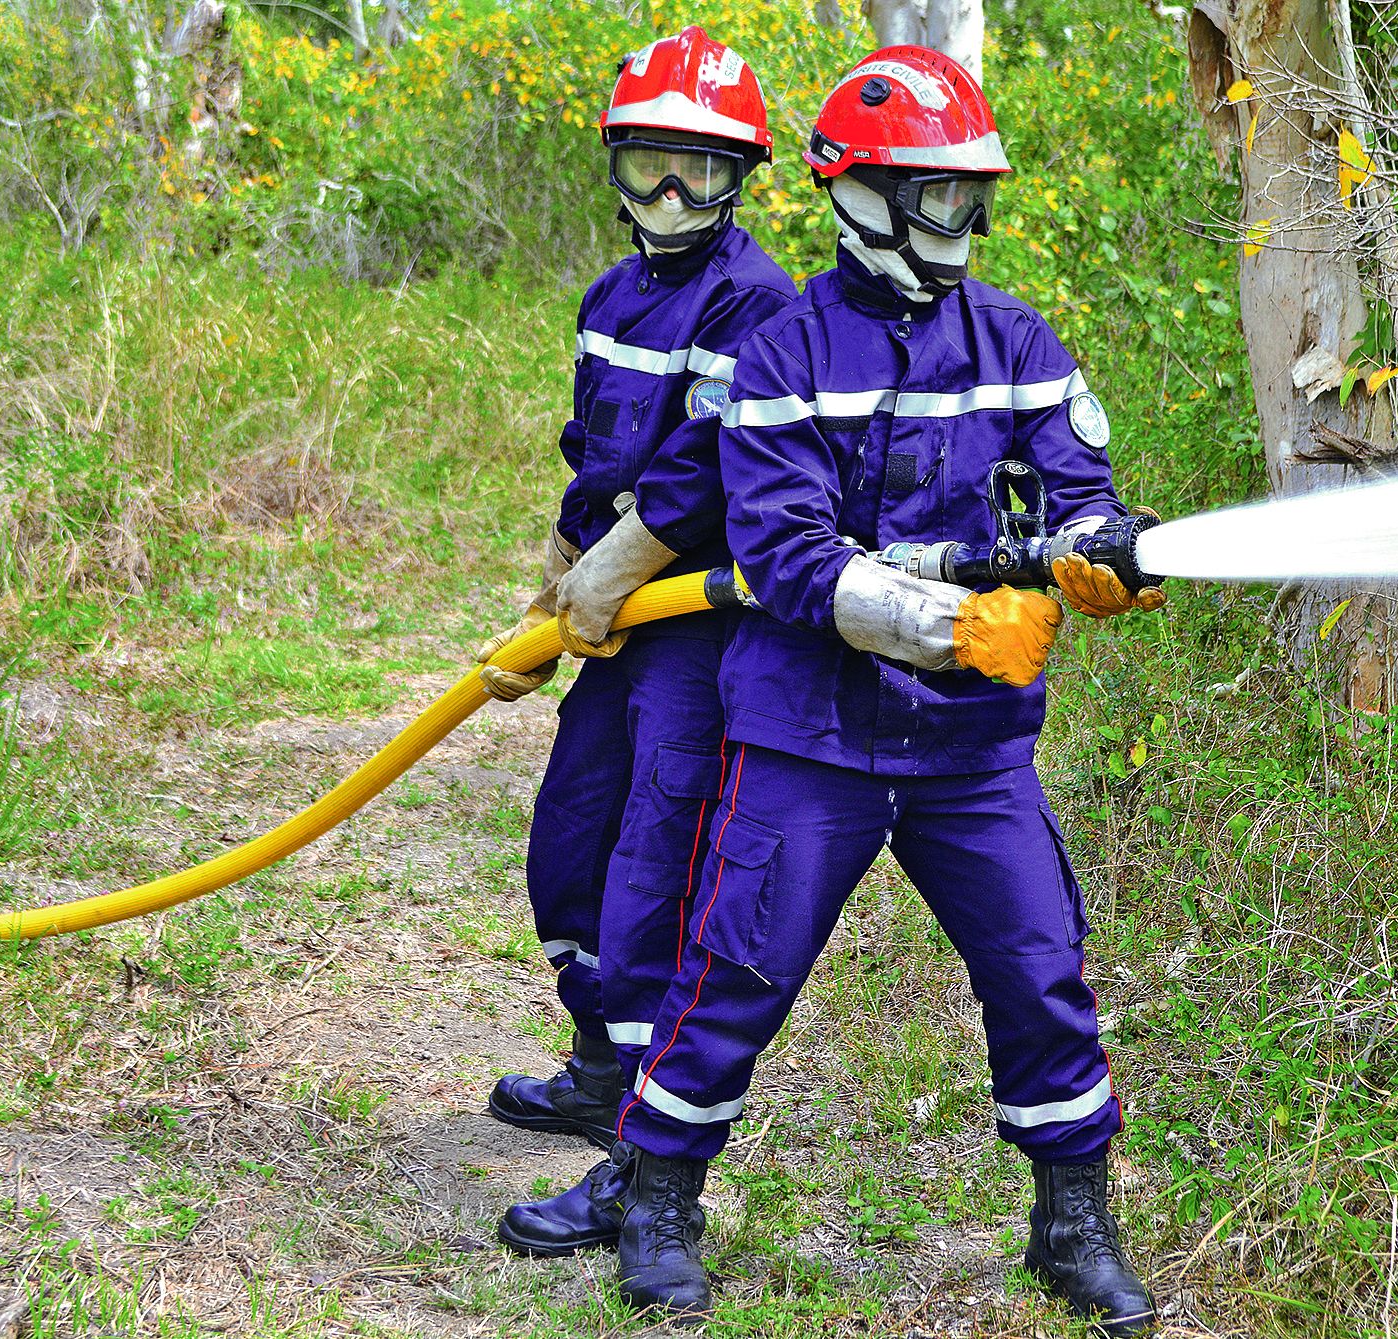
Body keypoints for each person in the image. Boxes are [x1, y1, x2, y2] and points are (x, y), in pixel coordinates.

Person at [593, 47, 1166, 1335]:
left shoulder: (1016, 341)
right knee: (736, 968)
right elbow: (789, 559)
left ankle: (1071, 1220)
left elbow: (1078, 494)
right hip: (807, 738)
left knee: (1037, 967)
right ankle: (658, 1196)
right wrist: (951, 622)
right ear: (860, 194)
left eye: (972, 199)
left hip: (971, 753)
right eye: (937, 196)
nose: (958, 224)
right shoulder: (781, 351)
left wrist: (1101, 560)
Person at [469, 27, 794, 1233]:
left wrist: (615, 569)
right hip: (609, 618)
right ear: (616, 165)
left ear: (741, 176)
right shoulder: (607, 299)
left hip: (695, 631)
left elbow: (705, 472)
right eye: (652, 162)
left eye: (699, 169)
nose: (672, 192)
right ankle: (597, 1067)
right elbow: (589, 459)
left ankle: (646, 1130)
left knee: (654, 859)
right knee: (570, 837)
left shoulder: (760, 302)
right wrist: (553, 581)